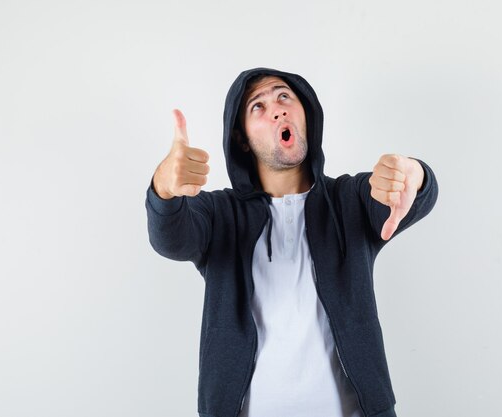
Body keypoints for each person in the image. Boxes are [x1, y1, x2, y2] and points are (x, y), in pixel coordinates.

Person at [146, 68, 438, 417]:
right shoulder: (219, 214)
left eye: (284, 96)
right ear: (242, 138)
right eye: (258, 106)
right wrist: (163, 188)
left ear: (306, 114)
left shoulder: (351, 200)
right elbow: (170, 237)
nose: (277, 109)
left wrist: (413, 175)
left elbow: (411, 194)